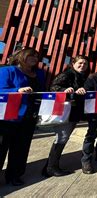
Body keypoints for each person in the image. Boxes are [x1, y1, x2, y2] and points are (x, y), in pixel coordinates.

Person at [0, 48, 45, 186]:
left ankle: (14, 175)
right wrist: (16, 90)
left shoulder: (39, 74)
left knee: (21, 148)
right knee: (1, 147)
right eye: (31, 55)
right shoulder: (8, 70)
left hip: (29, 116)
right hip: (8, 116)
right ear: (21, 56)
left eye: (36, 56)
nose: (34, 58)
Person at [43, 55, 89, 177]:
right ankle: (51, 167)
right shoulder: (68, 74)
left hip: (73, 112)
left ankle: (49, 166)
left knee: (63, 137)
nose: (82, 65)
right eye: (80, 63)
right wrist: (65, 89)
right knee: (61, 137)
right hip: (65, 111)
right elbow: (53, 87)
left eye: (85, 63)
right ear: (73, 63)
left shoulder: (83, 75)